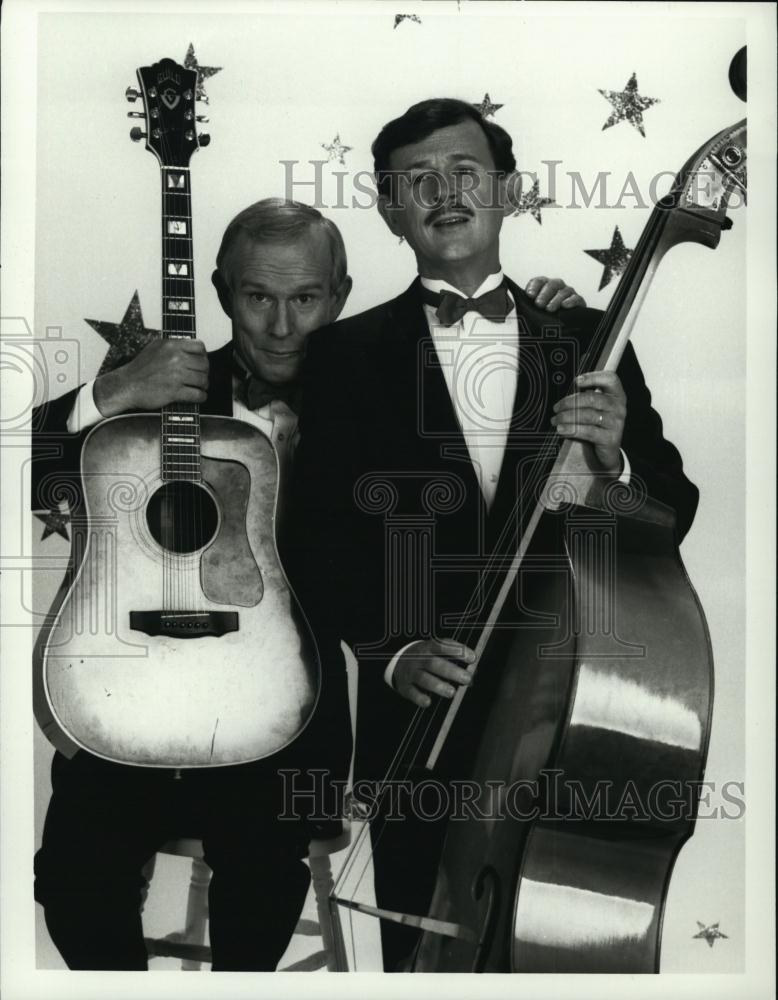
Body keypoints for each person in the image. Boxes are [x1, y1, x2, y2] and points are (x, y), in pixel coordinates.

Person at [31, 195, 585, 971]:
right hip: (137, 701)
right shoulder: (163, 389)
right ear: (222, 292)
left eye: (307, 299)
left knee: (260, 880)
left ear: (344, 294)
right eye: (259, 297)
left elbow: (501, 483)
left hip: (292, 713)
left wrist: (550, 321)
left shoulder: (393, 392)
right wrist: (114, 394)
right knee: (72, 878)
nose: (283, 327)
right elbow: (38, 479)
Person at [288, 100, 700, 970]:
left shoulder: (591, 336)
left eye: (466, 172)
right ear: (389, 207)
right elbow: (312, 538)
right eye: (418, 180)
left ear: (508, 191)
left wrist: (618, 461)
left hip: (576, 707)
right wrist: (390, 650)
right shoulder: (342, 355)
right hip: (420, 723)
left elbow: (672, 513)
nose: (445, 192)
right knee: (421, 953)